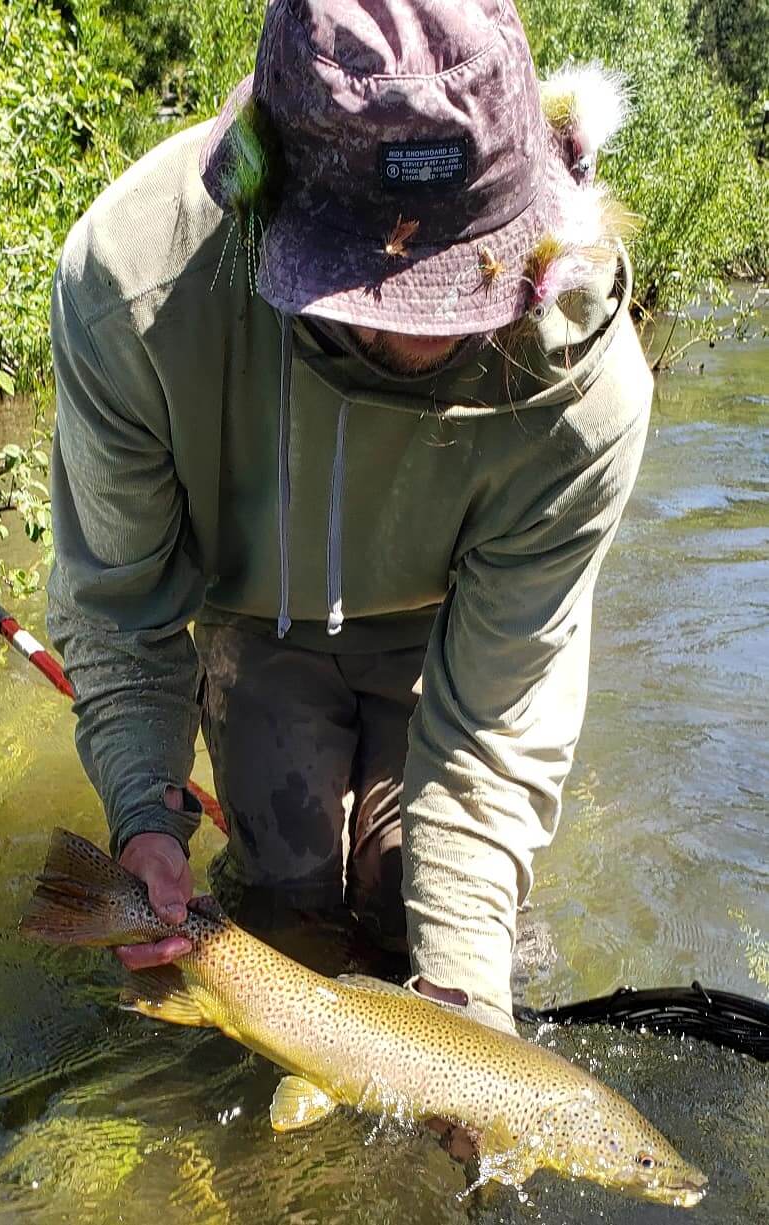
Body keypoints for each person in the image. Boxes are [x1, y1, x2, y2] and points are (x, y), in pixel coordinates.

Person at [46, 0, 652, 1036]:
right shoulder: (131, 287)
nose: (424, 333)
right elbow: (121, 610)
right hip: (254, 619)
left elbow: (493, 730)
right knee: (285, 901)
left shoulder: (586, 392)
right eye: (377, 291)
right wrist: (144, 813)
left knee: (430, 912)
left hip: (447, 630)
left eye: (465, 281)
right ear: (264, 203)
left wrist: (466, 1006)